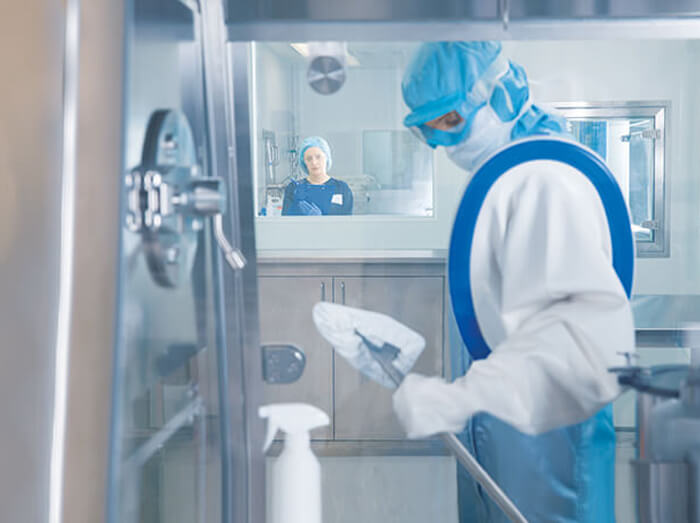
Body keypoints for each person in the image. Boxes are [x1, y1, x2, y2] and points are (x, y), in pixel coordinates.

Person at [391, 42, 635, 522]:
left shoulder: (544, 181)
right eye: (431, 130)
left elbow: (578, 350)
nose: (444, 144)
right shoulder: (509, 168)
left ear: (500, 95)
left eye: (451, 122)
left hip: (548, 446)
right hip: (513, 433)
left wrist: (454, 400)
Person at [282, 136, 353, 216]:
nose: (314, 162)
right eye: (309, 159)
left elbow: (347, 224)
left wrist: (321, 220)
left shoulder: (341, 188)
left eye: (318, 157)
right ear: (304, 162)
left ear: (327, 157)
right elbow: (286, 224)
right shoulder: (294, 189)